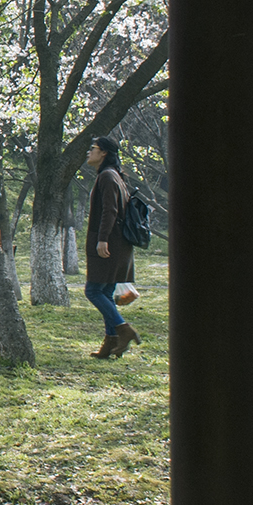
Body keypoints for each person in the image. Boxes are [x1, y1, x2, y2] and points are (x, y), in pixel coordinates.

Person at [83, 135, 140, 358]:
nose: (89, 152)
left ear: (104, 153)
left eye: (93, 148)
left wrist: (102, 239)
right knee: (105, 291)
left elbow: (110, 211)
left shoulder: (107, 176)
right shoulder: (113, 176)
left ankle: (123, 329)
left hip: (110, 243)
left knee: (93, 291)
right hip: (119, 244)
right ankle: (111, 343)